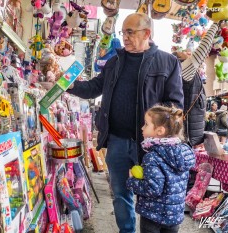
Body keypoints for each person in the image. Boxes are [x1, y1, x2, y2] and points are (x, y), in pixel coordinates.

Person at [67, 13, 183, 233]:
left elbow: (175, 105)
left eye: (130, 32)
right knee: (120, 194)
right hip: (118, 141)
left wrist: (157, 129)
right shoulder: (115, 61)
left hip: (152, 147)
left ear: (147, 33)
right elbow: (94, 87)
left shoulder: (168, 62)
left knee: (154, 196)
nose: (126, 37)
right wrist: (69, 85)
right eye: (124, 32)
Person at [127, 105, 195, 233]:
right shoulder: (183, 154)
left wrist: (132, 181)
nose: (142, 127)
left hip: (153, 215)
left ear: (160, 131)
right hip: (174, 216)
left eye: (146, 124)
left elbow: (153, 189)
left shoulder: (152, 156)